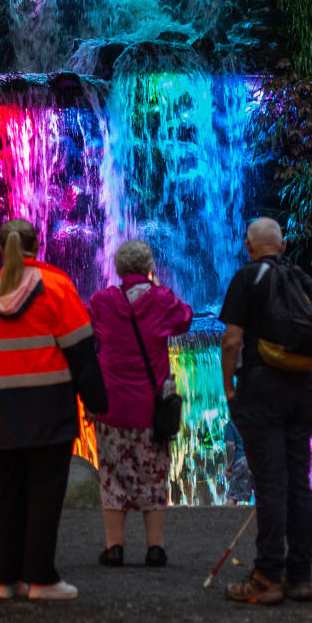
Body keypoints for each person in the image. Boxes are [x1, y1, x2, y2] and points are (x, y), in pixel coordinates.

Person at [0, 218, 107, 601]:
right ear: (39, 244)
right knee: (44, 492)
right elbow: (81, 352)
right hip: (47, 404)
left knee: (4, 493)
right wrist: (96, 402)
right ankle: (42, 579)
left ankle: (5, 580)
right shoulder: (56, 287)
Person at [218, 218, 312, 605]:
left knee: (270, 484)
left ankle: (266, 576)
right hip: (303, 389)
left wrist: (229, 387)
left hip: (263, 387)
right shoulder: (304, 280)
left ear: (249, 245)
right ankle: (300, 577)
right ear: (282, 245)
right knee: (299, 483)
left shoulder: (247, 278)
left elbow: (232, 340)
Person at [87, 239, 192, 569]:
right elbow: (185, 318)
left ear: (117, 269)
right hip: (151, 407)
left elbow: (88, 332)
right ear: (149, 268)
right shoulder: (161, 300)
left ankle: (115, 547)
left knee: (112, 474)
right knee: (154, 473)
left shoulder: (102, 301)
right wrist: (156, 287)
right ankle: (155, 548)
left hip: (112, 404)